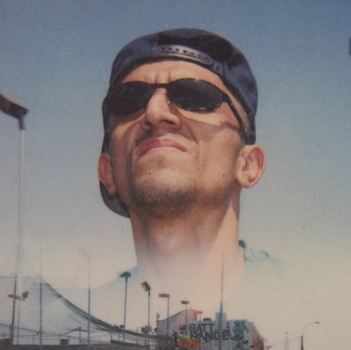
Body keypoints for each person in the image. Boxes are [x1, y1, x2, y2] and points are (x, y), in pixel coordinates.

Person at [97, 28, 265, 320]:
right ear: (107, 170)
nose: (154, 112)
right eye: (128, 100)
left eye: (194, 94)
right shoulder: (83, 317)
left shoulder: (324, 301)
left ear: (248, 165)